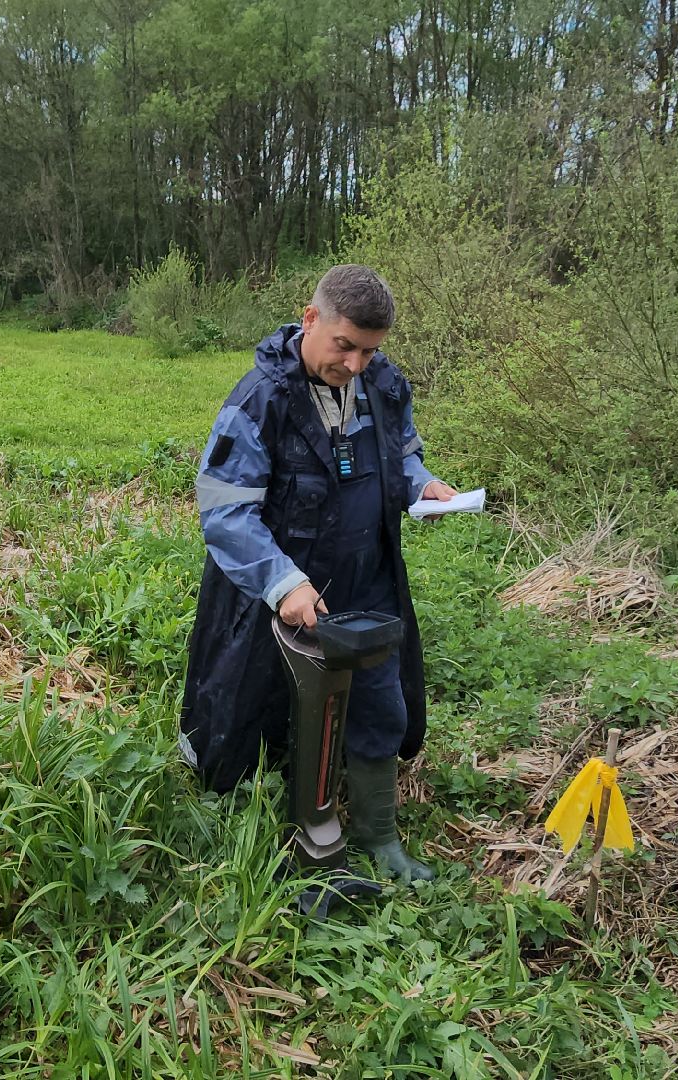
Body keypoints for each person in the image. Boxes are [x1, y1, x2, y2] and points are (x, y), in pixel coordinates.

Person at [180, 264, 458, 881]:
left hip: (369, 580)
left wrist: (423, 486)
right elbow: (225, 511)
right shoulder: (260, 400)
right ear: (310, 319)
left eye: (370, 351)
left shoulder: (385, 386)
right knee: (256, 706)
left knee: (380, 701)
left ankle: (379, 836)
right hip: (278, 587)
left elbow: (403, 457)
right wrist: (283, 582)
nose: (356, 364)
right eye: (345, 346)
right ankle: (261, 823)